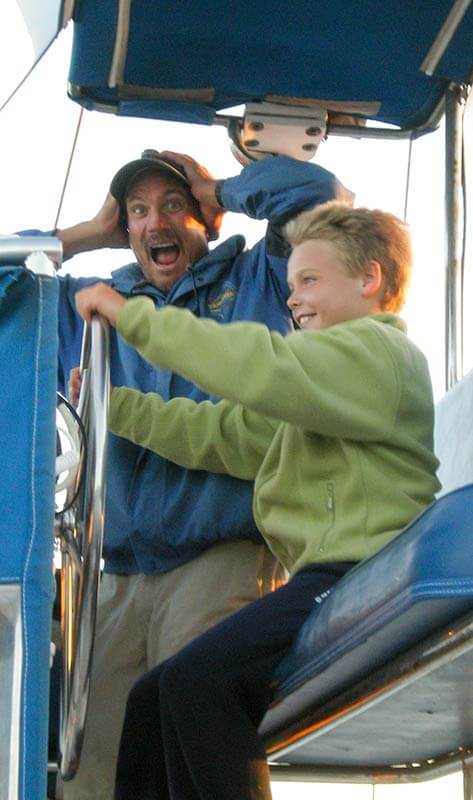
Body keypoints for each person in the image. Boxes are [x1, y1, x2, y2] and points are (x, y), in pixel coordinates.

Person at [74, 201, 441, 800]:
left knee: (200, 683)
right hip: (327, 579)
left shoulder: (379, 356)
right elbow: (220, 434)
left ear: (370, 279)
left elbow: (255, 365)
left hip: (366, 570)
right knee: (149, 697)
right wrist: (114, 405)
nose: (293, 299)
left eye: (309, 281)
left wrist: (130, 316)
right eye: (292, 285)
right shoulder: (320, 397)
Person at [26, 149, 349, 799]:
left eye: (172, 205)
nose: (155, 224)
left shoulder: (261, 277)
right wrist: (90, 231)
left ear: (204, 217)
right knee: (85, 772)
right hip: (112, 576)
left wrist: (219, 186)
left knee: (194, 748)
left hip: (220, 555)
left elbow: (321, 198)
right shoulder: (94, 302)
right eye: (138, 211)